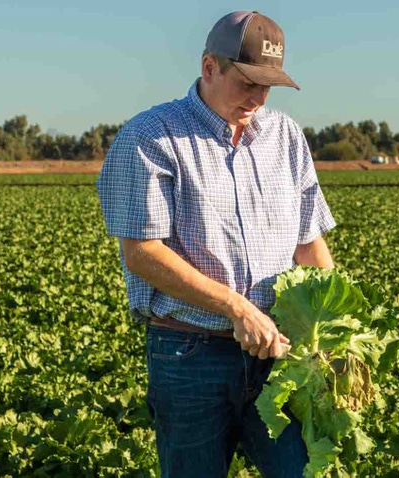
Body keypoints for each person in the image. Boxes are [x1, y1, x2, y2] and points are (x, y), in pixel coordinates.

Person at [95, 10, 336, 477]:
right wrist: (235, 306)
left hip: (281, 359)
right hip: (190, 355)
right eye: (247, 82)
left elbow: (308, 243)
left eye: (267, 86)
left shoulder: (286, 138)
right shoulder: (151, 137)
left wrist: (335, 332)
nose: (257, 97)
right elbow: (142, 252)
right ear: (210, 68)